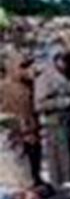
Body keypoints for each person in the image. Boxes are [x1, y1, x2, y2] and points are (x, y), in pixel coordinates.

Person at [33, 44, 70, 185]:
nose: (65, 63)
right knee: (59, 159)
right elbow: (39, 104)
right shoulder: (46, 79)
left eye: (67, 59)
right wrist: (63, 103)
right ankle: (59, 188)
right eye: (61, 60)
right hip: (55, 123)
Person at [0, 49, 41, 189]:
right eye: (23, 66)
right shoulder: (3, 87)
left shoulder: (31, 86)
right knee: (19, 169)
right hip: (13, 134)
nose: (30, 70)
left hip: (32, 132)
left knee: (34, 167)